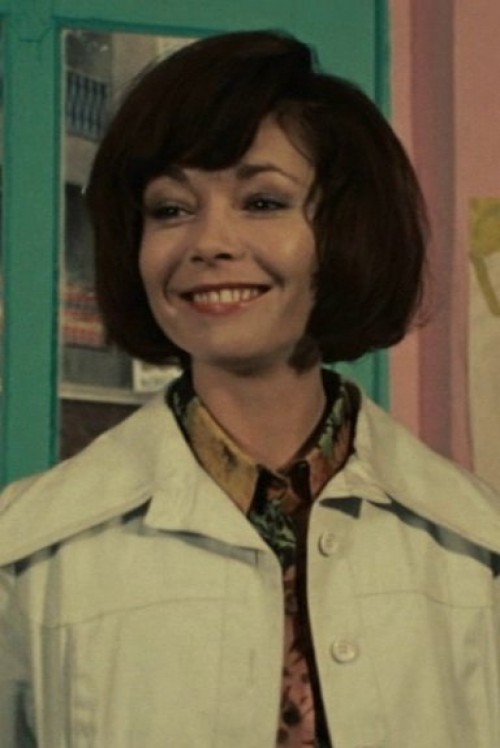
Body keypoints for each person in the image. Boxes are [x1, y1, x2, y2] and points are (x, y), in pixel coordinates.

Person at [1, 29, 500, 748]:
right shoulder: (25, 555)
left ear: (347, 231)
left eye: (262, 202)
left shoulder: (476, 549)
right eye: (171, 209)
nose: (209, 243)